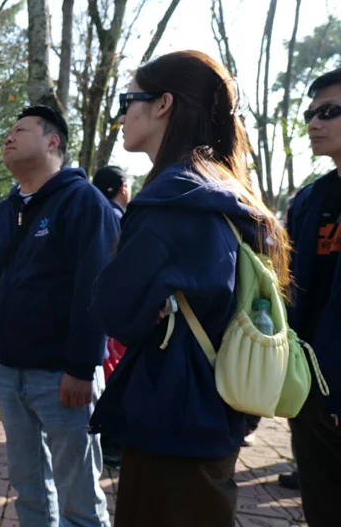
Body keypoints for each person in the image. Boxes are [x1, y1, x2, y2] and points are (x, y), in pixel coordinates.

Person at [89, 50, 291, 527]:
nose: (122, 114)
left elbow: (113, 308)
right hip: (219, 409)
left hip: (169, 418)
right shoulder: (228, 193)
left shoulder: (168, 200)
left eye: (128, 99)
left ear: (163, 105)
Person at [0, 106, 118, 527]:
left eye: (20, 129)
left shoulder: (83, 201)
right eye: (8, 130)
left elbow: (95, 288)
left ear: (52, 141)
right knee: (29, 489)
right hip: (7, 372)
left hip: (62, 376)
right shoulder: (4, 212)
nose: (8, 136)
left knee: (78, 492)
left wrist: (80, 366)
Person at [284, 67, 341, 526]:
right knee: (321, 507)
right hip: (310, 392)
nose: (314, 123)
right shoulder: (308, 200)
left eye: (330, 112)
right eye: (310, 113)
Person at [91, 165, 130, 469]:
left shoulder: (91, 211)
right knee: (113, 372)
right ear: (122, 187)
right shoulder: (119, 219)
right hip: (113, 316)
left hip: (95, 312)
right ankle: (112, 443)